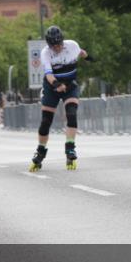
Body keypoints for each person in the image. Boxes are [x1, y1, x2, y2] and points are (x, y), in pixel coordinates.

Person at [29, 25, 94, 171]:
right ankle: (40, 151)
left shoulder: (72, 46)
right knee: (46, 121)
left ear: (62, 41)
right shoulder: (46, 52)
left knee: (71, 113)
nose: (57, 47)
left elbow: (82, 52)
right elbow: (48, 74)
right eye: (53, 45)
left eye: (58, 44)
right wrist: (57, 84)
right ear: (48, 44)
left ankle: (70, 147)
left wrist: (89, 58)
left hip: (70, 85)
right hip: (52, 86)